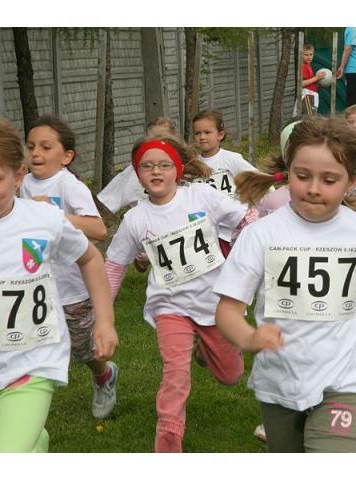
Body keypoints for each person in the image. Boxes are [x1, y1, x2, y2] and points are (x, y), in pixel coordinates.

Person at [213, 116, 356, 453]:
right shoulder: (261, 235)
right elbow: (228, 309)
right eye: (302, 177)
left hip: (346, 379)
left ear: (351, 181)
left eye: (329, 180)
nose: (314, 188)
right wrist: (249, 338)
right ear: (288, 172)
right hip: (279, 382)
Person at [0, 112, 117, 452]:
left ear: (18, 175)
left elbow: (90, 258)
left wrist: (105, 321)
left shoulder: (44, 220)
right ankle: (35, 445)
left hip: (34, 361)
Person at [104, 136, 248, 453]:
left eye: (164, 165)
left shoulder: (200, 196)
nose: (156, 171)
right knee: (175, 375)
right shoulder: (135, 219)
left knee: (231, 375)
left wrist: (249, 242)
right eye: (147, 166)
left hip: (214, 303)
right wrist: (102, 315)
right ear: (137, 173)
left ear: (177, 169)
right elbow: (114, 266)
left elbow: (242, 218)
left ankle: (205, 351)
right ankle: (168, 444)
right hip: (170, 306)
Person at [20, 114, 118, 419]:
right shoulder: (22, 183)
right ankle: (23, 402)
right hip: (35, 283)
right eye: (31, 146)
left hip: (73, 287)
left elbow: (98, 229)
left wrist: (53, 213)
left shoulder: (69, 185)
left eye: (46, 147)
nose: (36, 153)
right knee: (29, 344)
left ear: (66, 156)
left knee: (84, 350)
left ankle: (104, 375)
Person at [192, 109, 256, 256]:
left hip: (234, 228)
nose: (202, 137)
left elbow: (256, 179)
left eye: (207, 132)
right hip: (206, 231)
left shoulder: (232, 159)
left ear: (220, 135)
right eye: (197, 133)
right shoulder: (192, 164)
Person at [97, 117, 177, 214]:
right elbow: (104, 204)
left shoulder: (189, 167)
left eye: (163, 139)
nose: (157, 143)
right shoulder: (134, 172)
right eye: (152, 139)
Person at [336, 27, 356, 107]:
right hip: (355, 69)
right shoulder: (352, 27)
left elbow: (349, 48)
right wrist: (342, 67)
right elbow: (348, 48)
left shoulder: (353, 28)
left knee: (355, 102)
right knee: (354, 103)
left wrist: (342, 67)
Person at [300, 43, 326, 114]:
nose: (309, 57)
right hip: (307, 96)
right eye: (306, 55)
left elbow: (310, 83)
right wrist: (316, 78)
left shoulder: (308, 66)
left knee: (311, 116)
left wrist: (318, 83)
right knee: (309, 117)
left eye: (311, 54)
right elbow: (302, 83)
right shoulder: (303, 66)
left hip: (312, 95)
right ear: (301, 55)